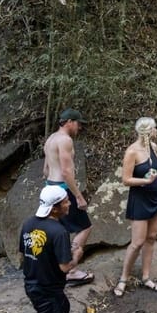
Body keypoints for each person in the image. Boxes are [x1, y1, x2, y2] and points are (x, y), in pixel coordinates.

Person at [20, 185, 77, 313]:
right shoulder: (59, 231)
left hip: (32, 284)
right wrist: (76, 255)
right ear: (55, 208)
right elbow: (65, 268)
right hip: (47, 290)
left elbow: (24, 254)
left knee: (64, 306)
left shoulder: (28, 224)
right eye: (66, 201)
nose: (69, 203)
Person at [114, 117, 157, 297]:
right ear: (148, 130)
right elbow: (126, 179)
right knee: (137, 242)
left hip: (156, 197)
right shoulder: (132, 152)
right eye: (155, 128)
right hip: (140, 198)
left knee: (151, 237)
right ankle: (123, 278)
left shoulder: (153, 147)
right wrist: (145, 181)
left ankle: (146, 276)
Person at [43, 108, 94, 286]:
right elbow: (66, 172)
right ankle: (71, 270)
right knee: (85, 227)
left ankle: (57, 268)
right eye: (78, 124)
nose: (79, 127)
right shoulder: (65, 140)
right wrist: (78, 196)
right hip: (62, 190)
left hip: (49, 188)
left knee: (60, 231)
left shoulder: (50, 139)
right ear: (70, 122)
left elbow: (46, 170)